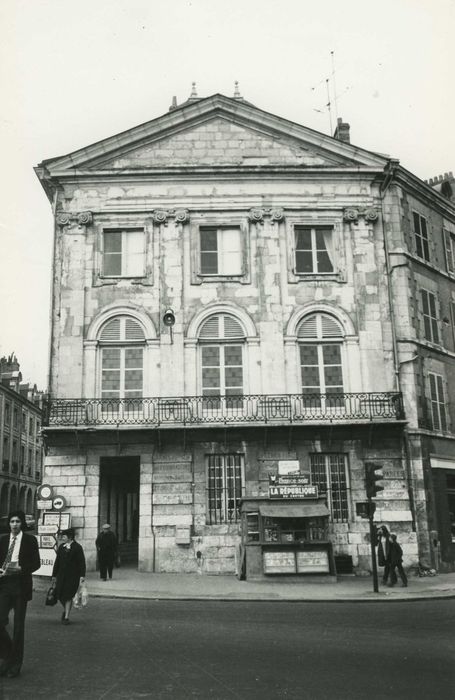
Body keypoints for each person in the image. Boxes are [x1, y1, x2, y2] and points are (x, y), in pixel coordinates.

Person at [0, 509, 40, 678]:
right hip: (4, 585)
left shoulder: (30, 540)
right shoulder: (2, 541)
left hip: (20, 586)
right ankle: (9, 654)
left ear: (22, 523)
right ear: (8, 523)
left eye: (17, 521)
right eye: (12, 521)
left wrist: (22, 568)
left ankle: (15, 665)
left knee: (18, 627)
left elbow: (36, 563)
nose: (14, 524)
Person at [51, 528, 86, 624]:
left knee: (68, 596)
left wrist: (82, 575)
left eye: (64, 536)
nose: (62, 538)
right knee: (60, 595)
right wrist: (54, 575)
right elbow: (57, 562)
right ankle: (66, 610)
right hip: (61, 575)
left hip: (73, 576)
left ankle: (66, 617)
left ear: (70, 537)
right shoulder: (62, 547)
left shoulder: (77, 547)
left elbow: (82, 562)